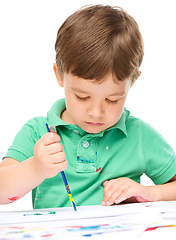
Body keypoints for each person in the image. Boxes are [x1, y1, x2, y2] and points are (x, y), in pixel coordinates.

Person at [0, 5, 176, 209]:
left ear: (132, 82)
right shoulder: (38, 132)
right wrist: (35, 168)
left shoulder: (139, 136)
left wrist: (148, 192)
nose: (96, 112)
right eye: (82, 96)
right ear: (59, 75)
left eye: (112, 100)